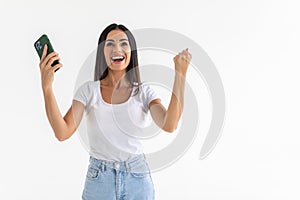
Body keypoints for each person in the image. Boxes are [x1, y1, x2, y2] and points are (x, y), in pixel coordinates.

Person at [38, 23, 192, 200]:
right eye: (109, 44)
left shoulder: (143, 92)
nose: (117, 48)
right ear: (102, 52)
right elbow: (62, 132)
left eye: (123, 43)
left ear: (131, 52)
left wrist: (180, 74)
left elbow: (170, 124)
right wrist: (47, 86)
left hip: (137, 179)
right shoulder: (89, 91)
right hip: (99, 181)